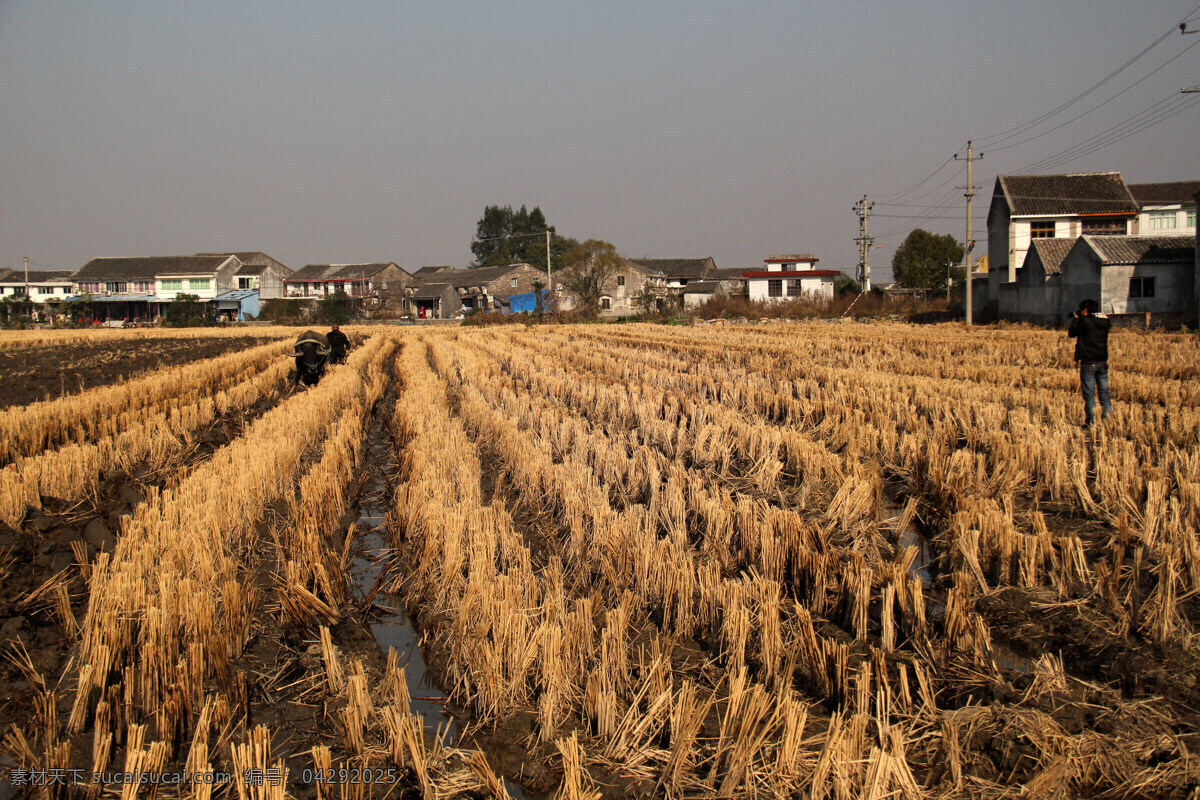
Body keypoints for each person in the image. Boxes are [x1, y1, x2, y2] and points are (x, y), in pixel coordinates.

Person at [1067, 298, 1112, 427]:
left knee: (1089, 394)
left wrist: (1076, 319)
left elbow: (1072, 333)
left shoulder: (1085, 322)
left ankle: (1091, 421)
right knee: (1104, 392)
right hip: (1102, 361)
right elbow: (1101, 322)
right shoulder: (1105, 322)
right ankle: (1107, 419)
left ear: (1085, 310)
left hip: (1088, 362)